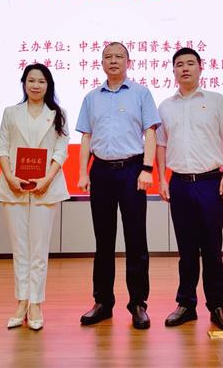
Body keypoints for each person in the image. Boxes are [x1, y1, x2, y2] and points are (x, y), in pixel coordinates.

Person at [76, 42, 160, 330]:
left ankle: (138, 303)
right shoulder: (91, 98)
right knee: (103, 241)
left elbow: (150, 132)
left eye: (119, 57)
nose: (113, 61)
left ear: (128, 62)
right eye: (108, 57)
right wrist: (83, 173)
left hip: (132, 171)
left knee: (136, 240)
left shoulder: (141, 93)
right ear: (101, 63)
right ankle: (102, 302)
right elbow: (86, 137)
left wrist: (147, 168)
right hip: (100, 171)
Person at [156, 47, 223, 331]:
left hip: (210, 183)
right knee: (186, 250)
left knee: (212, 248)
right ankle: (186, 304)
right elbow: (161, 144)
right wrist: (162, 178)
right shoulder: (166, 107)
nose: (185, 68)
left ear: (200, 68)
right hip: (179, 184)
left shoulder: (217, 101)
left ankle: (218, 306)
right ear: (173, 71)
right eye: (179, 64)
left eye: (190, 63)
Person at [0, 63, 70, 331]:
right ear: (24, 83)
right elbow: (1, 145)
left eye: (41, 81)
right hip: (13, 187)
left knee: (38, 249)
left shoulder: (58, 114)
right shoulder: (11, 113)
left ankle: (36, 303)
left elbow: (61, 150)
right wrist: (9, 176)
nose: (36, 85)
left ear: (49, 85)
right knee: (20, 249)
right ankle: (21, 301)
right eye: (31, 80)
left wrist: (46, 179)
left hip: (45, 189)